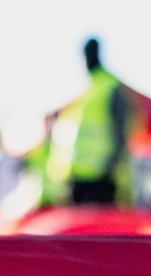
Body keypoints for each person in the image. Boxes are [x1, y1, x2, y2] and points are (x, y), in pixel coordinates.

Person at [45, 38, 134, 206]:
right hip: (74, 181)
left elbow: (122, 134)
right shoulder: (84, 89)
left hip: (101, 181)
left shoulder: (109, 88)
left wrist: (111, 169)